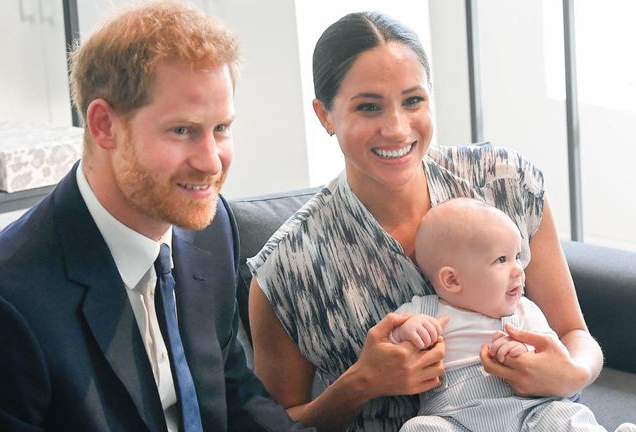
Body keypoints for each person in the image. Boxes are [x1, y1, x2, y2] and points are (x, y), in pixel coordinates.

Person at [0, 2, 310, 431]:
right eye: (182, 130)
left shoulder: (208, 230)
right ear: (104, 125)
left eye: (220, 128)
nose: (211, 162)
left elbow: (234, 395)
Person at [247, 10, 604, 432]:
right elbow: (275, 424)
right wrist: (362, 383)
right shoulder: (287, 269)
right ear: (325, 114)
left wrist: (574, 373)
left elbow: (573, 332)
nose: (397, 129)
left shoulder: (504, 183)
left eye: (413, 101)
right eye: (369, 107)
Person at [390, 198, 636, 432]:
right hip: (455, 418)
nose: (518, 270)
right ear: (452, 280)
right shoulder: (424, 311)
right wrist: (407, 330)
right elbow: (386, 340)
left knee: (564, 416)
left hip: (531, 412)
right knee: (419, 427)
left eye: (517, 257)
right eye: (501, 259)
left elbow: (552, 357)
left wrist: (523, 353)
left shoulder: (525, 311)